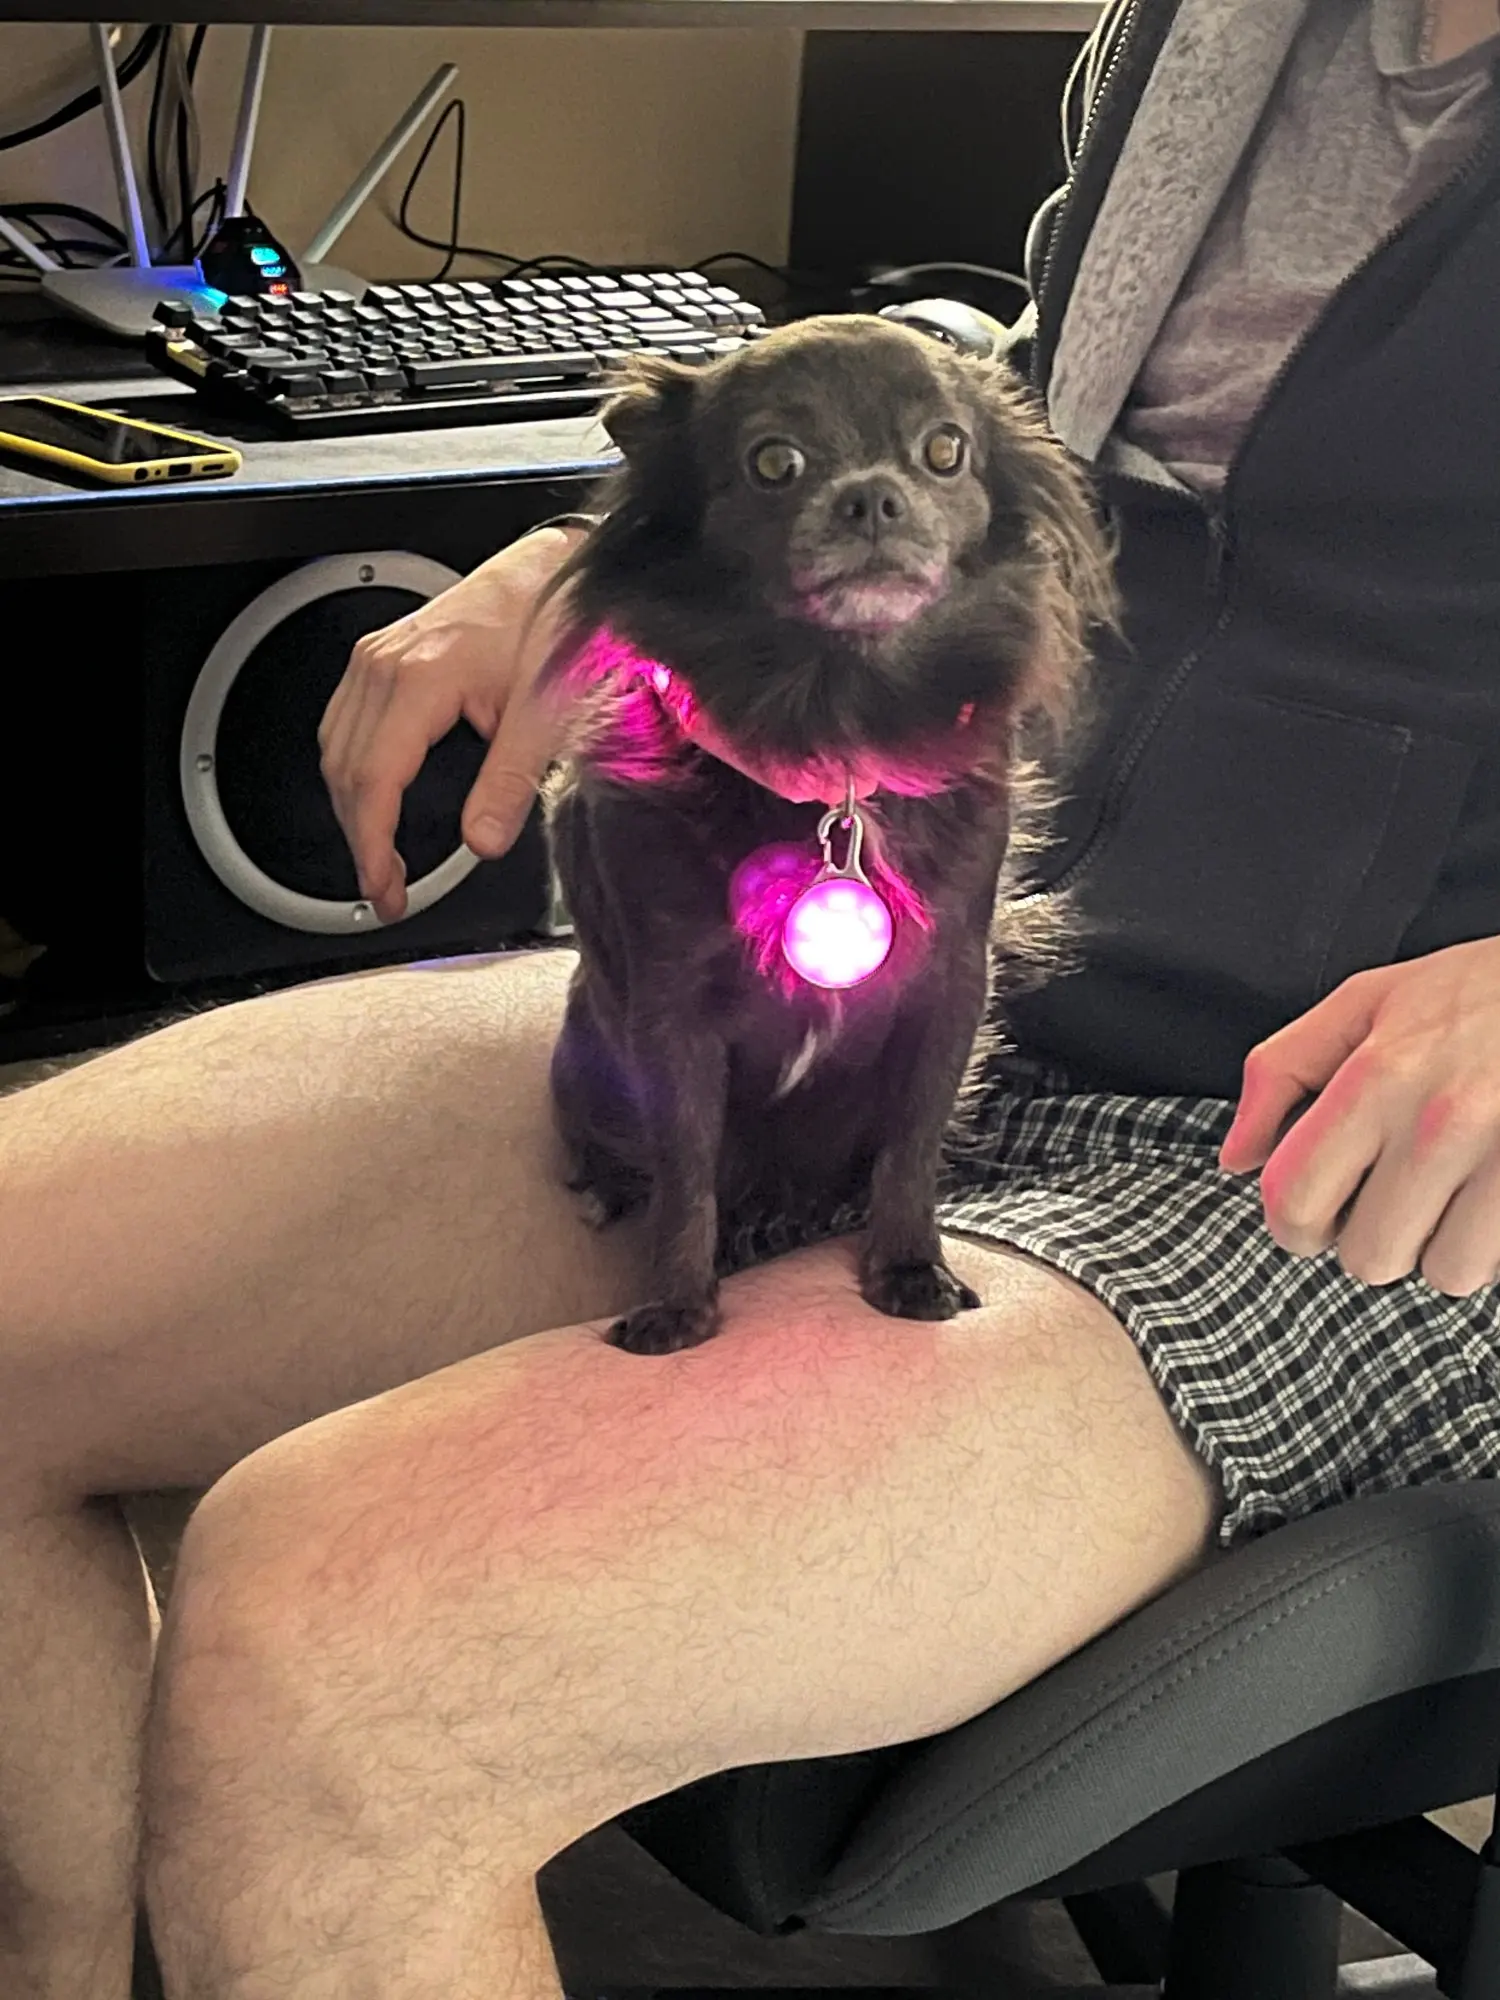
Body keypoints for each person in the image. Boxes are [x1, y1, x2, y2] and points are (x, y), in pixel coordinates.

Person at [3, 0, 1498, 1992]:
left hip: (1352, 1154)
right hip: (982, 955)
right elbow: (1055, 412)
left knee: (333, 1648)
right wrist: (647, 542)